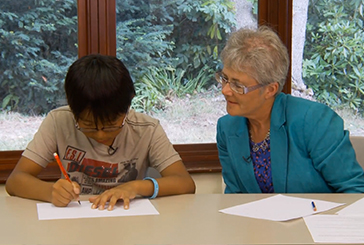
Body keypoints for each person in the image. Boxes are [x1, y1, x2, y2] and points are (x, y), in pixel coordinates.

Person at [6, 54, 196, 210]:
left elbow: (185, 183)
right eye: (88, 126)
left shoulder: (146, 129)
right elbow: (15, 181)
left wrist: (136, 187)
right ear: (73, 110)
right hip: (75, 220)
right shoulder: (58, 122)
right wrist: (50, 192)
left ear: (127, 107)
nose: (101, 135)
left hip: (128, 220)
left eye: (111, 124)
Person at [216, 26, 364, 194]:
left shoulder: (314, 120)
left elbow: (355, 191)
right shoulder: (226, 128)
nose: (225, 90)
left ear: (270, 89)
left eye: (237, 85)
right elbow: (235, 196)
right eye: (225, 78)